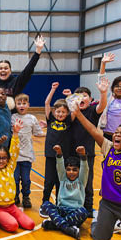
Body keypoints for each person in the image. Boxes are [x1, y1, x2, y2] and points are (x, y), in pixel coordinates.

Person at [73, 104, 121, 240]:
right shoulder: (108, 148)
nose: (117, 135)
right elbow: (93, 130)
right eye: (116, 132)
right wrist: (79, 114)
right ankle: (97, 222)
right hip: (108, 204)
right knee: (100, 239)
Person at [64, 68, 109, 217]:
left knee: (87, 182)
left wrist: (103, 93)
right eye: (79, 96)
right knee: (71, 180)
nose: (82, 98)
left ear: (90, 100)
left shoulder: (92, 111)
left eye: (85, 96)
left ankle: (88, 208)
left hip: (87, 154)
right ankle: (71, 204)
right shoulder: (71, 112)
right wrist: (71, 104)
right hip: (71, 152)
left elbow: (102, 106)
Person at [0, 119, 35, 232]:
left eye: (4, 158)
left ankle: (9, 217)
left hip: (11, 206)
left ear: (8, 159)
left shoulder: (10, 167)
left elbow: (14, 151)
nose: (1, 161)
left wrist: (15, 133)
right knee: (13, 225)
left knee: (30, 224)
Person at [0, 34, 45, 110]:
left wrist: (38, 51)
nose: (3, 70)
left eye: (6, 68)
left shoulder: (16, 81)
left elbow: (29, 69)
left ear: (10, 71)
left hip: (12, 117)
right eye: (0, 68)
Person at [41, 145, 89, 240]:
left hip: (75, 212)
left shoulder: (81, 181)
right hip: (61, 210)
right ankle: (67, 228)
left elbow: (85, 168)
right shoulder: (63, 179)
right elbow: (59, 166)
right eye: (68, 169)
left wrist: (83, 155)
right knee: (46, 204)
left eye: (75, 170)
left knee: (84, 212)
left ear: (79, 171)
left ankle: (55, 224)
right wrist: (59, 153)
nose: (71, 172)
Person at [40, 82, 72, 217]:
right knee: (48, 182)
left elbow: (74, 108)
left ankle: (60, 204)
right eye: (58, 111)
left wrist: (70, 96)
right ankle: (45, 204)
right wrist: (53, 89)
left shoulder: (69, 121)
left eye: (63, 112)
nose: (60, 114)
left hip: (64, 157)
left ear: (67, 113)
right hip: (50, 156)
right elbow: (47, 103)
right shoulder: (50, 119)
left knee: (61, 182)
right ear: (54, 111)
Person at [12, 93, 45, 208]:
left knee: (26, 180)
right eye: (19, 103)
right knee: (15, 179)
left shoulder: (32, 118)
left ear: (28, 105)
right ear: (15, 105)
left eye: (24, 103)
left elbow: (38, 133)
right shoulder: (12, 117)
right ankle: (15, 196)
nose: (21, 105)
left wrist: (49, 132)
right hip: (14, 156)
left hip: (27, 155)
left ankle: (26, 197)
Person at [98, 54, 121, 140]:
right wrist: (103, 63)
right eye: (117, 86)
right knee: (108, 154)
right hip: (108, 134)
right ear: (112, 88)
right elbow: (101, 79)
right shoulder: (108, 97)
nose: (119, 88)